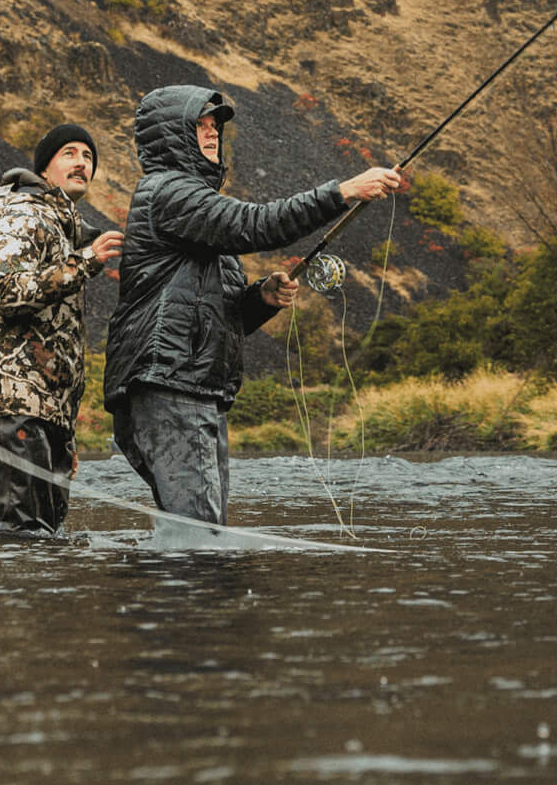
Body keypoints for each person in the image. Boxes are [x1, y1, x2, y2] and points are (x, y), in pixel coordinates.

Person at [104, 83, 405, 525]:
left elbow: (213, 319)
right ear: (171, 136)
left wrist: (260, 299)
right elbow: (257, 225)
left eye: (214, 126)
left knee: (199, 532)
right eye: (199, 124)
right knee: (200, 543)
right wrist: (343, 192)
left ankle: (160, 591)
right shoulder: (166, 192)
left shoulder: (196, 212)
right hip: (168, 388)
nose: (211, 133)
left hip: (188, 387)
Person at [0, 121, 124, 536]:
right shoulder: (21, 215)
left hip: (48, 413)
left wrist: (64, 431)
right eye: (70, 153)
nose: (82, 163)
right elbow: (7, 292)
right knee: (23, 537)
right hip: (13, 399)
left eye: (88, 157)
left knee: (46, 539)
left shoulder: (66, 228)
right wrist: (85, 262)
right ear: (45, 169)